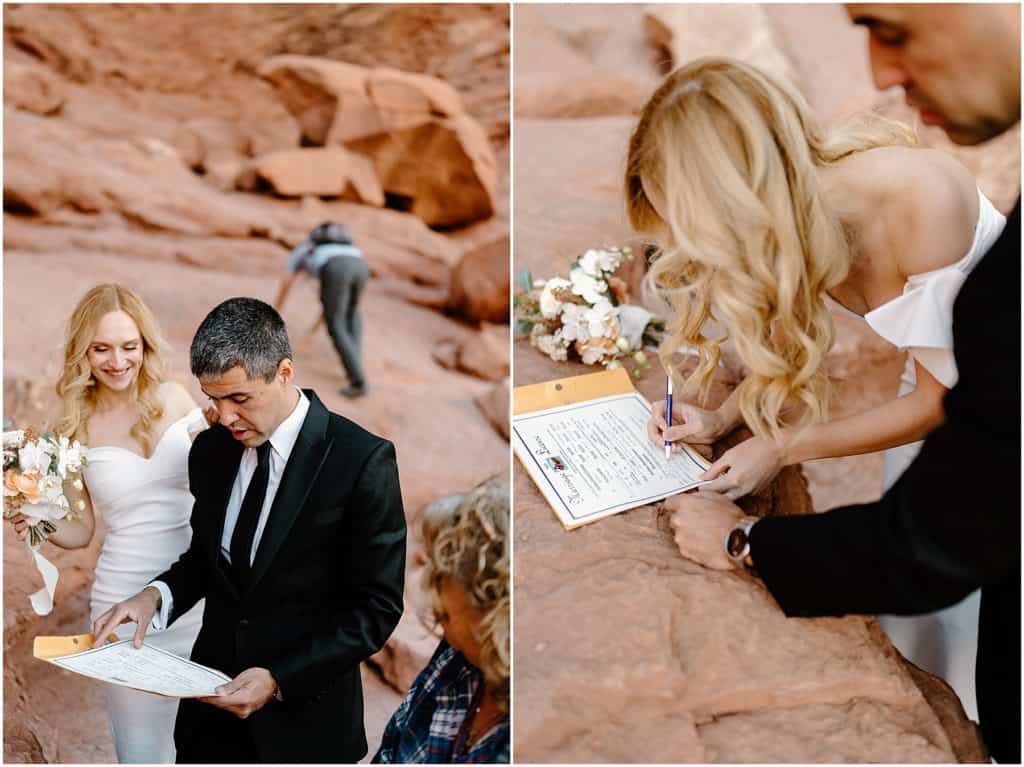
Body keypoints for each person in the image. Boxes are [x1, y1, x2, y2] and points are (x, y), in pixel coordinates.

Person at [662, 5, 1020, 761]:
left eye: (890, 28)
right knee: (928, 622)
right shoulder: (805, 210)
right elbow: (789, 327)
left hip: (960, 421)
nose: (880, 73)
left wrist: (774, 467)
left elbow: (940, 406)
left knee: (969, 608)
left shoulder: (911, 204)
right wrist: (726, 416)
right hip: (960, 421)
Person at [92, 297, 407, 763]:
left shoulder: (362, 460)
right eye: (213, 399)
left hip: (306, 729)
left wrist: (279, 677)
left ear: (284, 373)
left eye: (239, 398)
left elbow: (376, 608)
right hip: (208, 722)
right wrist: (154, 596)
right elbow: (206, 559)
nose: (225, 416)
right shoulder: (210, 451)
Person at [8, 284, 208, 763]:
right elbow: (80, 532)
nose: (117, 361)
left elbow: (224, 482)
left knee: (204, 744)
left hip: (200, 596)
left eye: (128, 346)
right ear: (84, 352)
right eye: (101, 349)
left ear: (145, 345)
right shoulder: (71, 427)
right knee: (143, 752)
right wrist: (34, 520)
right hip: (122, 606)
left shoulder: (177, 398)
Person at [375, 476, 510, 764]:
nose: (437, 619)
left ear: (492, 619)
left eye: (446, 613)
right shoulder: (457, 652)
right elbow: (391, 747)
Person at [276, 221, 371, 398]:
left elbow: (286, 282)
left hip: (337, 269)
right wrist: (313, 329)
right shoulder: (342, 246)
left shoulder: (302, 250)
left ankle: (359, 382)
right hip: (361, 266)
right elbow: (327, 306)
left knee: (336, 325)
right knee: (352, 312)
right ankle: (356, 363)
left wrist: (275, 312)